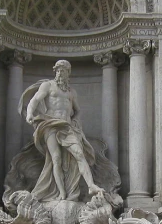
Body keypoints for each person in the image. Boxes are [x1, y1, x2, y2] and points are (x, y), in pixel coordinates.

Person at [22, 59, 103, 201]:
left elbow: (77, 111)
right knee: (56, 159)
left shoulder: (71, 92)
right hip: (50, 125)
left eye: (63, 71)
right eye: (58, 70)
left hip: (66, 127)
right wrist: (29, 113)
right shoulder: (48, 86)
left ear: (68, 73)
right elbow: (34, 100)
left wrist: (76, 121)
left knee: (79, 153)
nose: (60, 73)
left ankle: (91, 185)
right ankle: (61, 193)